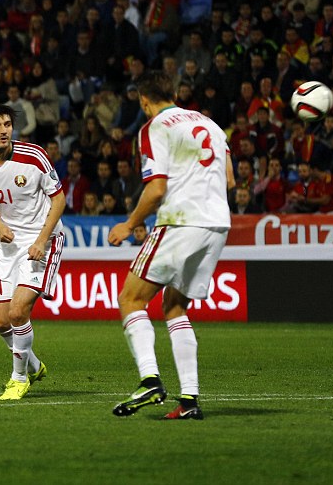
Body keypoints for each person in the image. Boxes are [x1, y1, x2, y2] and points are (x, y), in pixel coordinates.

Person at [108, 70, 234, 420]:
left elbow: (157, 189)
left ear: (144, 101)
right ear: (173, 94)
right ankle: (189, 401)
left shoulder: (155, 127)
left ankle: (149, 379)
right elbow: (230, 179)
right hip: (217, 223)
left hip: (181, 220)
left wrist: (129, 224)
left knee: (131, 299)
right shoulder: (211, 125)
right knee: (175, 306)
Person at [0, 104, 66, 400]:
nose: (4, 130)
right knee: (0, 321)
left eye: (7, 124)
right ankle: (33, 365)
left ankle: (19, 379)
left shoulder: (34, 156)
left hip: (42, 239)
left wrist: (41, 240)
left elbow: (59, 200)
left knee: (18, 311)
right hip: (9, 244)